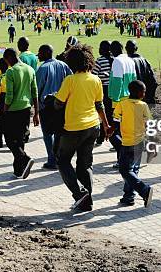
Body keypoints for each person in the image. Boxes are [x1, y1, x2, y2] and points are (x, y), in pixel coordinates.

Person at [54, 44, 112, 212]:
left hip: (73, 127)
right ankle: (87, 202)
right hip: (93, 126)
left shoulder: (70, 80)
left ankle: (80, 194)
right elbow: (99, 105)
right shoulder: (96, 80)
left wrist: (53, 99)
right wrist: (106, 125)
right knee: (85, 165)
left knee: (63, 160)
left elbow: (59, 104)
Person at [114, 80, 154, 207]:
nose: (144, 93)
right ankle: (129, 196)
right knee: (133, 169)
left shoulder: (122, 104)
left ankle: (144, 190)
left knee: (124, 170)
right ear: (138, 92)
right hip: (139, 142)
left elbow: (116, 120)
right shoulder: (143, 106)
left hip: (127, 142)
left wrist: (110, 131)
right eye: (144, 91)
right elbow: (150, 124)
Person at [3, 48, 38, 179]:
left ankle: (25, 158)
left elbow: (9, 95)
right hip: (26, 109)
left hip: (13, 110)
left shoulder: (11, 71)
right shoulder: (30, 69)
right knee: (20, 138)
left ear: (9, 58)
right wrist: (36, 112)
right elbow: (35, 92)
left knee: (9, 139)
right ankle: (19, 170)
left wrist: (5, 109)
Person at [36, 44, 72, 169]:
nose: (38, 55)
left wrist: (36, 108)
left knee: (47, 134)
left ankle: (52, 159)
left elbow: (37, 89)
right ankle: (58, 158)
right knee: (58, 132)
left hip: (46, 106)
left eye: (40, 53)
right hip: (61, 105)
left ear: (45, 53)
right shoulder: (63, 65)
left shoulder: (43, 68)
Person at [92, 40, 113, 145]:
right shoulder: (114, 60)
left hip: (103, 89)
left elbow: (94, 75)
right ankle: (110, 135)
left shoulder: (99, 61)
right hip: (113, 89)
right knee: (110, 113)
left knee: (101, 113)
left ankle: (100, 137)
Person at [125, 40, 158, 104]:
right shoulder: (144, 60)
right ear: (136, 48)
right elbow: (153, 81)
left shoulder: (126, 62)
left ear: (126, 48)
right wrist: (150, 97)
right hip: (142, 95)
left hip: (131, 97)